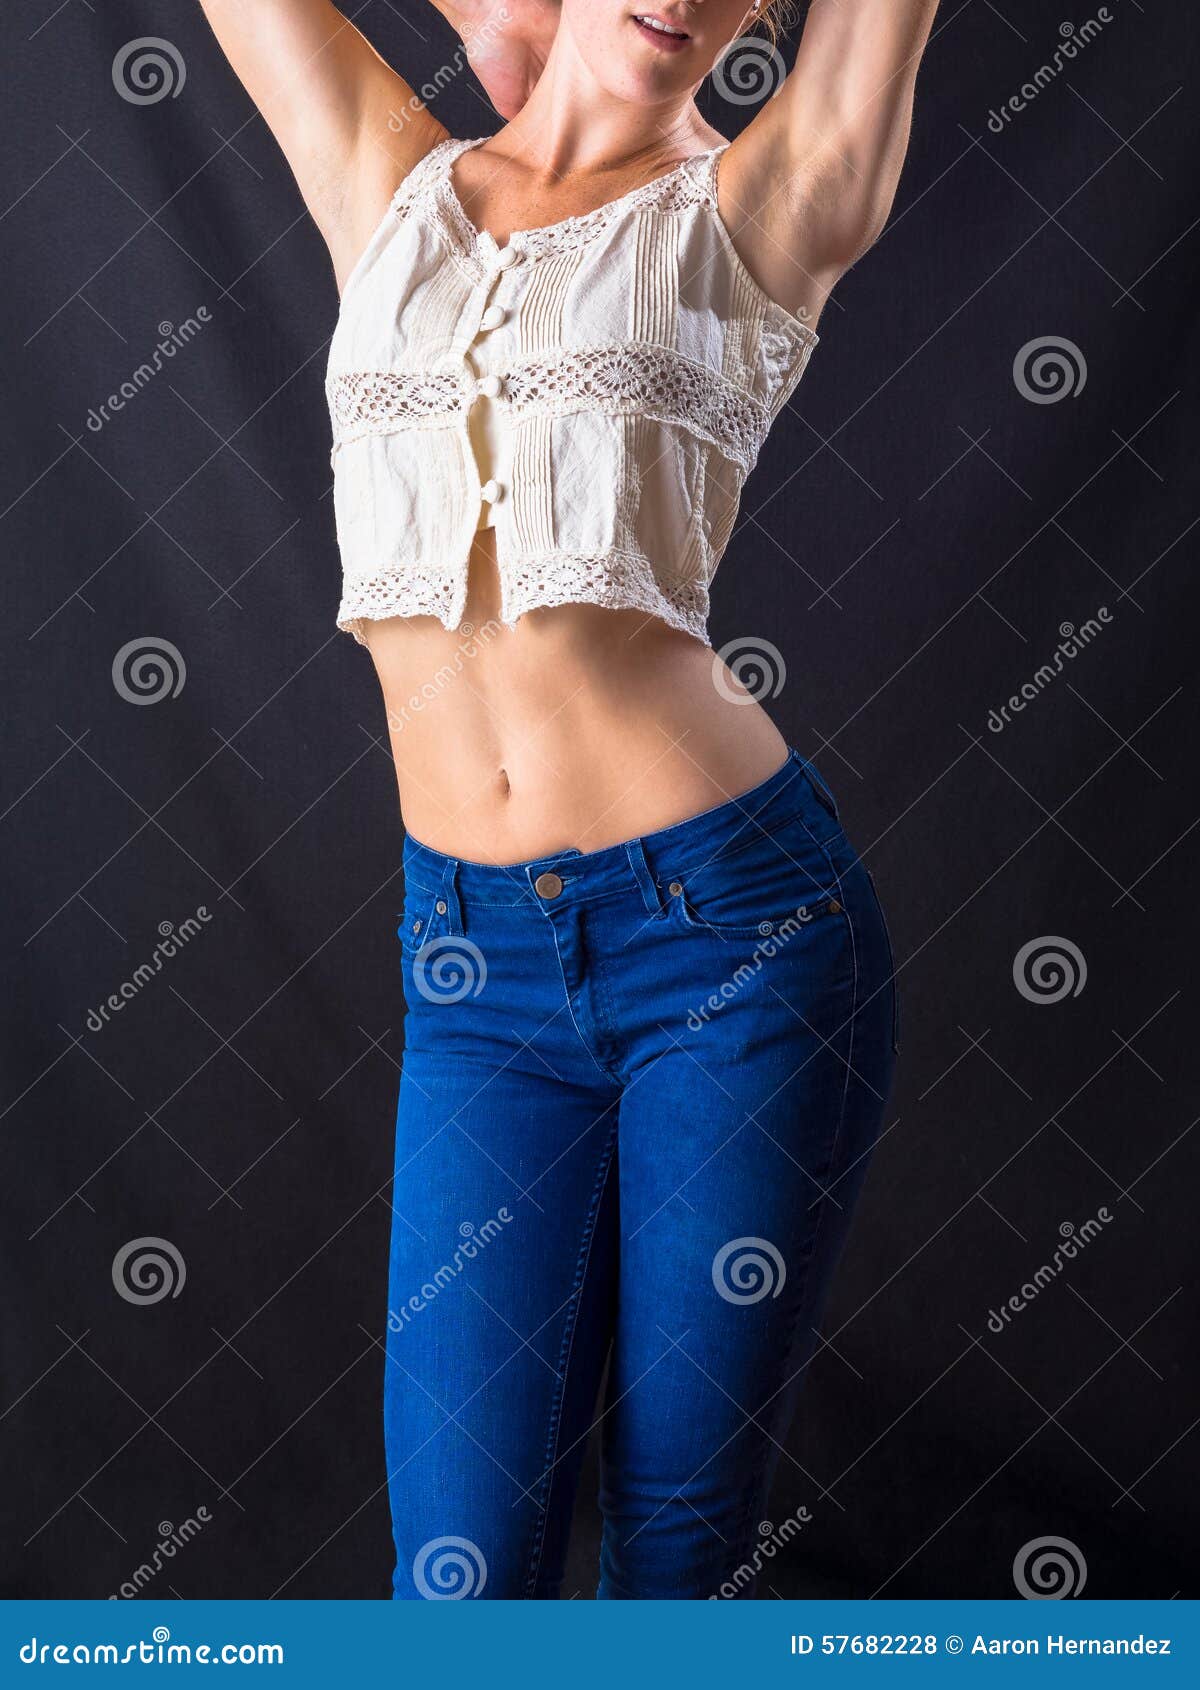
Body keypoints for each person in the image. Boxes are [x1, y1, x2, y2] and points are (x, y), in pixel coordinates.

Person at [197, 0, 938, 1600]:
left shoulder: (765, 206)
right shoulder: (388, 174)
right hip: (475, 976)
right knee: (459, 1579)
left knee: (677, 1558)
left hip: (736, 950)